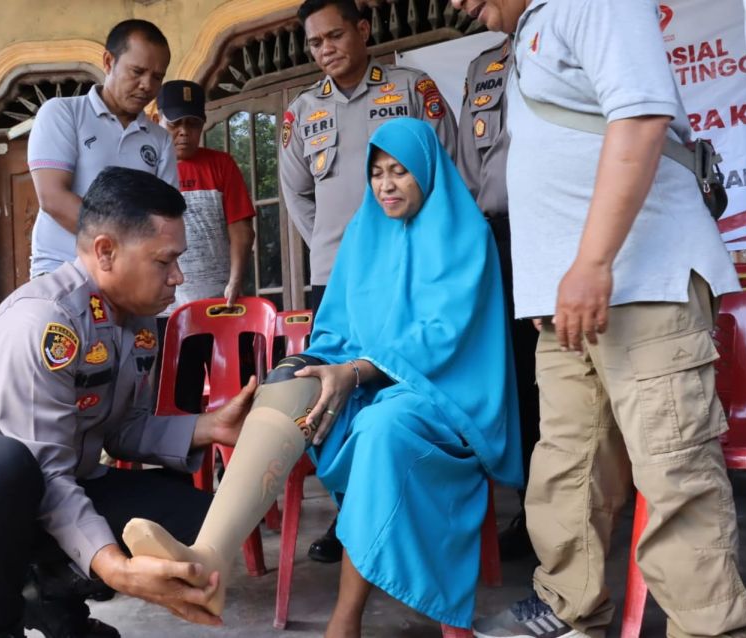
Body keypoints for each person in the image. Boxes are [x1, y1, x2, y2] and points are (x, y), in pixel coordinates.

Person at [123, 118, 522, 636]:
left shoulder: (464, 233)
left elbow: (445, 336)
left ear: (426, 170)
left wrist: (356, 371)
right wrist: (323, 367)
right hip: (368, 382)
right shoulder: (363, 231)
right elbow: (335, 327)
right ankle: (210, 556)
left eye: (400, 171)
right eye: (377, 173)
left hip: (444, 395)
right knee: (288, 383)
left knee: (382, 430)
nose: (386, 185)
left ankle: (346, 619)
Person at [449, 1, 746, 637]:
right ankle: (569, 606)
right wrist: (554, 280)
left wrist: (592, 262)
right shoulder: (530, 29)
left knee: (674, 474)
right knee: (567, 465)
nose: (454, 3)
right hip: (569, 300)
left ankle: (714, 629)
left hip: (641, 283)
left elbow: (641, 118)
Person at [0, 167, 256, 638]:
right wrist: (114, 567)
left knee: (200, 520)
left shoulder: (135, 320)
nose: (178, 277)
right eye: (165, 261)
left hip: (47, 486)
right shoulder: (44, 323)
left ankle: (48, 599)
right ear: (106, 251)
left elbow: (121, 430)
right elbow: (44, 468)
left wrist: (210, 426)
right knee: (3, 464)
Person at [279, 0, 458, 563]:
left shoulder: (411, 88)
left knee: (398, 387)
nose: (325, 49)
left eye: (334, 36)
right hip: (336, 279)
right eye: (315, 43)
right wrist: (339, 249)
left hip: (410, 275)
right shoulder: (302, 112)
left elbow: (446, 170)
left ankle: (409, 506)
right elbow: (296, 194)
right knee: (337, 396)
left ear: (363, 29)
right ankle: (350, 514)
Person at [456, 36, 540, 561]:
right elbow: (469, 169)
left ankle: (578, 512)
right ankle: (534, 514)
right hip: (498, 240)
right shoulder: (482, 67)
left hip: (552, 227)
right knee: (517, 380)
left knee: (559, 379)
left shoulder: (559, 37)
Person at [28, 19, 178, 278]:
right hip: (63, 272)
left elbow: (166, 214)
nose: (147, 85)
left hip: (129, 277)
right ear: (109, 62)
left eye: (157, 77)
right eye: (137, 71)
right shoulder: (63, 113)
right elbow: (53, 197)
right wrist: (124, 248)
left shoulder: (160, 139)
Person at [155, 79, 257, 412]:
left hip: (221, 306)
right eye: (175, 123)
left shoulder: (221, 165)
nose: (184, 132)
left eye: (193, 124)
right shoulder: (148, 171)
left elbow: (241, 229)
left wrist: (235, 282)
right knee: (176, 403)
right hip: (167, 312)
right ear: (157, 120)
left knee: (238, 396)